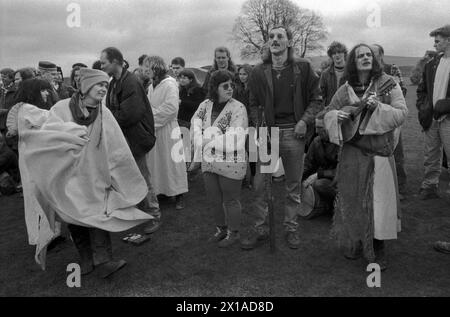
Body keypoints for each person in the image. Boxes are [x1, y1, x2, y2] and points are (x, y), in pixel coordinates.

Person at [7, 68, 152, 277]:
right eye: (99, 84)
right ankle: (85, 259)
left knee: (99, 214)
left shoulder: (105, 113)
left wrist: (117, 172)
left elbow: (116, 145)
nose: (103, 88)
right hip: (69, 174)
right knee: (73, 215)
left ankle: (103, 261)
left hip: (96, 174)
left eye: (105, 85)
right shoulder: (61, 108)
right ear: (86, 86)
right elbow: (49, 135)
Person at [317, 44, 408, 271]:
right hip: (352, 155)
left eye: (369, 54)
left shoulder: (388, 83)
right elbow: (325, 113)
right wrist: (334, 116)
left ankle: (378, 247)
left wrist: (378, 108)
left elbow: (402, 113)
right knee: (353, 199)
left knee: (379, 204)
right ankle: (357, 240)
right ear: (353, 62)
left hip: (379, 154)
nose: (366, 58)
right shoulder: (345, 88)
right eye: (360, 55)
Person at [242, 25, 323, 250]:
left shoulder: (303, 67)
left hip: (293, 133)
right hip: (269, 134)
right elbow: (254, 103)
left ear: (288, 41)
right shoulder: (259, 71)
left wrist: (303, 122)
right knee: (259, 185)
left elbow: (316, 99)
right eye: (271, 37)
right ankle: (261, 229)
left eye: (280, 36)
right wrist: (261, 126)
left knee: (292, 185)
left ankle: (291, 228)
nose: (275, 40)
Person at [100, 47, 160, 234]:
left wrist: (107, 118)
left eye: (104, 63)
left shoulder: (130, 82)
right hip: (126, 138)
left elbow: (130, 114)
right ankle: (141, 213)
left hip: (136, 138)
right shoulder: (114, 83)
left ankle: (154, 214)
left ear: (116, 62)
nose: (101, 66)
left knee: (143, 176)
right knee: (133, 177)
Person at [190, 70, 248, 247]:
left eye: (232, 85)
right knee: (214, 199)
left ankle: (233, 233)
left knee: (230, 199)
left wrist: (205, 139)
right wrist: (199, 136)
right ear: (215, 88)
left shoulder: (238, 108)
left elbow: (236, 136)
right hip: (209, 161)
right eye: (225, 86)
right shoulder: (205, 105)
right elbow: (195, 123)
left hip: (231, 161)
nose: (230, 88)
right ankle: (221, 229)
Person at [143, 55, 188, 211]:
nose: (145, 71)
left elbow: (171, 108)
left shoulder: (170, 85)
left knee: (173, 162)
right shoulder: (151, 86)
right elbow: (147, 106)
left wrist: (150, 118)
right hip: (156, 130)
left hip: (168, 128)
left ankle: (179, 193)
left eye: (147, 68)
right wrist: (150, 118)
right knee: (159, 162)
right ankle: (163, 190)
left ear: (156, 68)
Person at [416, 25, 450, 200]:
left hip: (448, 119)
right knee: (431, 154)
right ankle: (429, 187)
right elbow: (421, 90)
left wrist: (446, 105)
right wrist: (424, 107)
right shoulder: (431, 64)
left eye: (437, 41)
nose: (434, 44)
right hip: (432, 118)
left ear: (448, 40)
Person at [372, 44, 408, 200]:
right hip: (374, 120)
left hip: (391, 116)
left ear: (381, 55)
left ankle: (399, 188)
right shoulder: (367, 72)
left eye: (373, 53)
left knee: (396, 152)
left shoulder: (391, 69)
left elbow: (402, 90)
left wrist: (385, 101)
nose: (370, 56)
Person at [300, 126, 339, 218]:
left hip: (339, 181)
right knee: (310, 183)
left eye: (320, 127)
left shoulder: (341, 142)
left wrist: (318, 175)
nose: (317, 131)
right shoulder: (316, 141)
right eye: (316, 127)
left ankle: (336, 204)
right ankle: (327, 205)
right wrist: (297, 179)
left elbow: (342, 171)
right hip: (323, 178)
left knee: (318, 184)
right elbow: (308, 164)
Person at [320, 41, 348, 108]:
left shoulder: (351, 71)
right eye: (334, 53)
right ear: (331, 56)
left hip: (348, 110)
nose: (337, 55)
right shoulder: (325, 74)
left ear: (344, 54)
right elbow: (321, 95)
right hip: (331, 111)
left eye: (339, 52)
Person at [0, 68, 17, 134]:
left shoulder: (16, 89)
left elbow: (17, 106)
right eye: (1, 77)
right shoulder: (1, 88)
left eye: (4, 77)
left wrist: (5, 111)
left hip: (10, 122)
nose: (2, 79)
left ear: (12, 78)